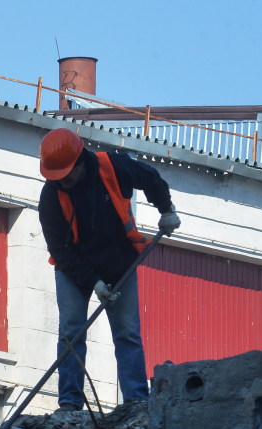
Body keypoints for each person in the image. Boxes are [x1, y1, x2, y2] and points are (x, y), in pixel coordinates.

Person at [38, 127, 180, 413]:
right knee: (71, 331)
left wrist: (166, 209)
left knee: (127, 332)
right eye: (57, 178)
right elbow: (61, 252)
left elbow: (150, 178)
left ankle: (136, 400)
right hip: (74, 268)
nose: (63, 182)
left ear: (79, 162)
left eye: (66, 176)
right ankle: (69, 403)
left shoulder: (113, 167)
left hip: (119, 261)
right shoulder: (52, 196)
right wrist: (94, 282)